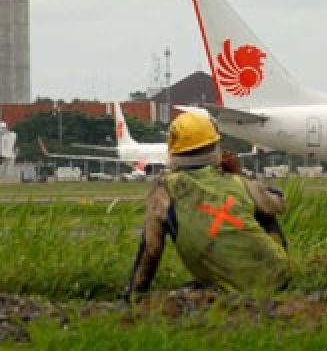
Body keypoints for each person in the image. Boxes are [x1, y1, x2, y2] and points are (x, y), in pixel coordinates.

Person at [124, 110, 289, 300]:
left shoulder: (164, 190)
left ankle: (219, 286)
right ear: (214, 145)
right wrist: (240, 175)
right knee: (265, 211)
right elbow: (278, 203)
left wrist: (134, 294)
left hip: (224, 288)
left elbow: (151, 250)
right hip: (278, 279)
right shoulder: (236, 182)